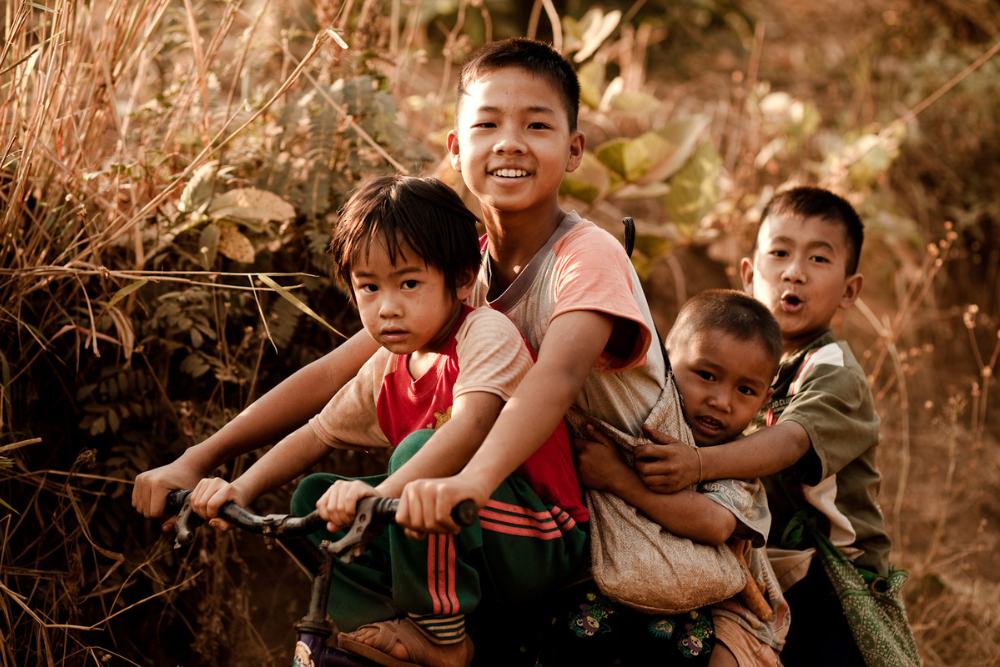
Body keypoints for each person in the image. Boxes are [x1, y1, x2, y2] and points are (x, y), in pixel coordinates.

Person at [189, 174, 589, 667]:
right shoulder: (388, 366)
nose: (387, 307)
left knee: (418, 454)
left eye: (409, 283)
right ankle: (383, 625)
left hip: (540, 532)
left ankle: (440, 637)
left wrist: (378, 495)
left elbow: (468, 429)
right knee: (311, 496)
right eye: (369, 287)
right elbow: (317, 432)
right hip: (466, 534)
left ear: (463, 279)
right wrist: (242, 487)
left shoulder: (483, 332)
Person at [635, 187, 892, 665]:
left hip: (832, 576)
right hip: (758, 557)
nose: (794, 271)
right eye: (779, 253)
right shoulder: (736, 357)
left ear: (849, 291)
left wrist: (695, 464)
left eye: (818, 259)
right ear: (750, 274)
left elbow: (790, 441)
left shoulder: (833, 369)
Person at [572, 289, 790, 667]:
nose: (721, 401)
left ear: (764, 400)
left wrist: (619, 479)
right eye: (706, 375)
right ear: (667, 360)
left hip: (726, 604)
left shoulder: (737, 464)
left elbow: (714, 524)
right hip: (628, 577)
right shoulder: (648, 417)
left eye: (745, 390)